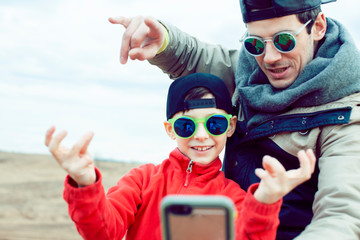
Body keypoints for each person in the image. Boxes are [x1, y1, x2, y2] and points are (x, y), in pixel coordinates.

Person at [108, 0, 360, 239]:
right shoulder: (251, 71)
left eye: (284, 40)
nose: (270, 57)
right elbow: (201, 59)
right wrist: (163, 40)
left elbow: (343, 215)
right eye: (255, 44)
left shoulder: (347, 116)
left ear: (317, 27)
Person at [45, 73, 315, 240]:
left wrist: (266, 201)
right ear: (170, 130)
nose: (200, 136)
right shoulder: (143, 180)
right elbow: (103, 232)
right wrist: (85, 182)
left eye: (214, 125)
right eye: (186, 126)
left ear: (230, 127)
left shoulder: (234, 197)